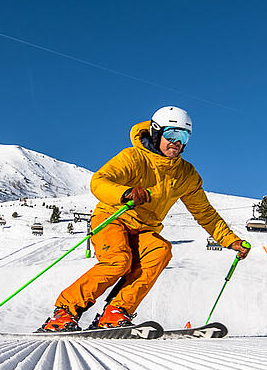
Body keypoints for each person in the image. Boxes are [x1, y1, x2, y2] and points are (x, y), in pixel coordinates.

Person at [41, 106, 250, 331]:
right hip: (113, 217)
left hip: (144, 229)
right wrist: (125, 193)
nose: (176, 142)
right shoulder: (133, 157)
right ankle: (64, 311)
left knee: (160, 250)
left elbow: (204, 212)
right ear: (156, 133)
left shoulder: (185, 174)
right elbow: (99, 181)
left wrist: (230, 240)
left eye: (183, 136)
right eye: (171, 135)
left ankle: (115, 312)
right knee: (118, 261)